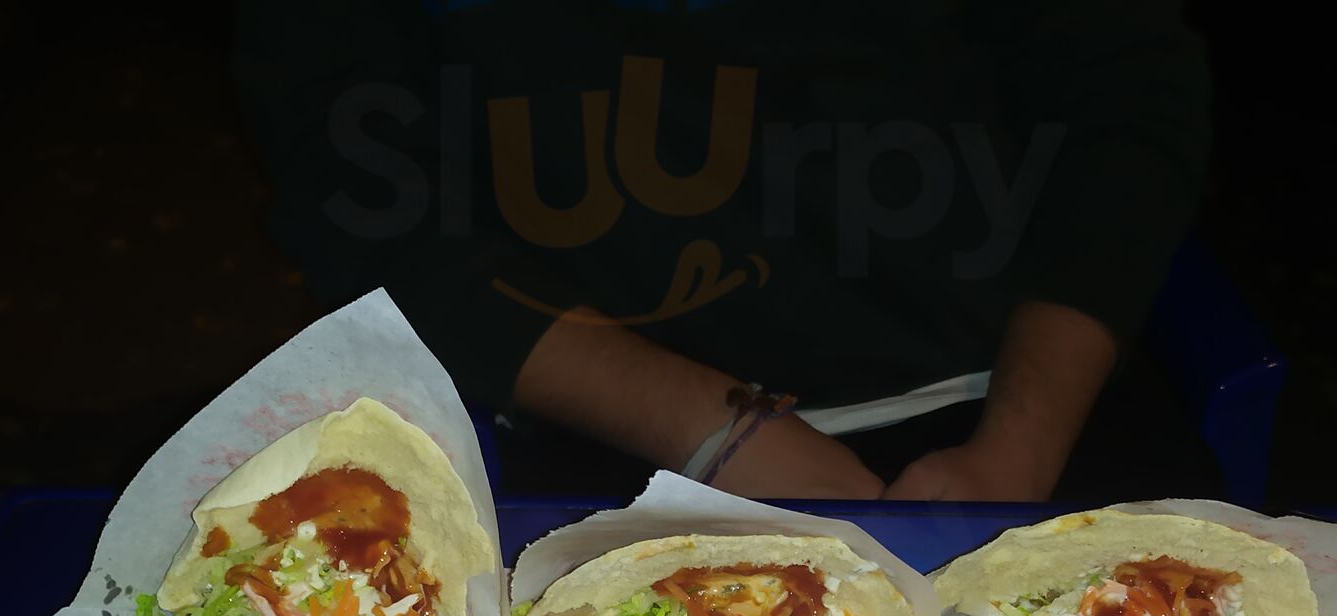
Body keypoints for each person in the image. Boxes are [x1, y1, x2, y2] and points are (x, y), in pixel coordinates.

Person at [234, 0, 1214, 502]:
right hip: (598, 424)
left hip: (1005, 407)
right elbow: (356, 196)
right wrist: (713, 432)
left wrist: (1016, 451)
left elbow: (1125, 104)